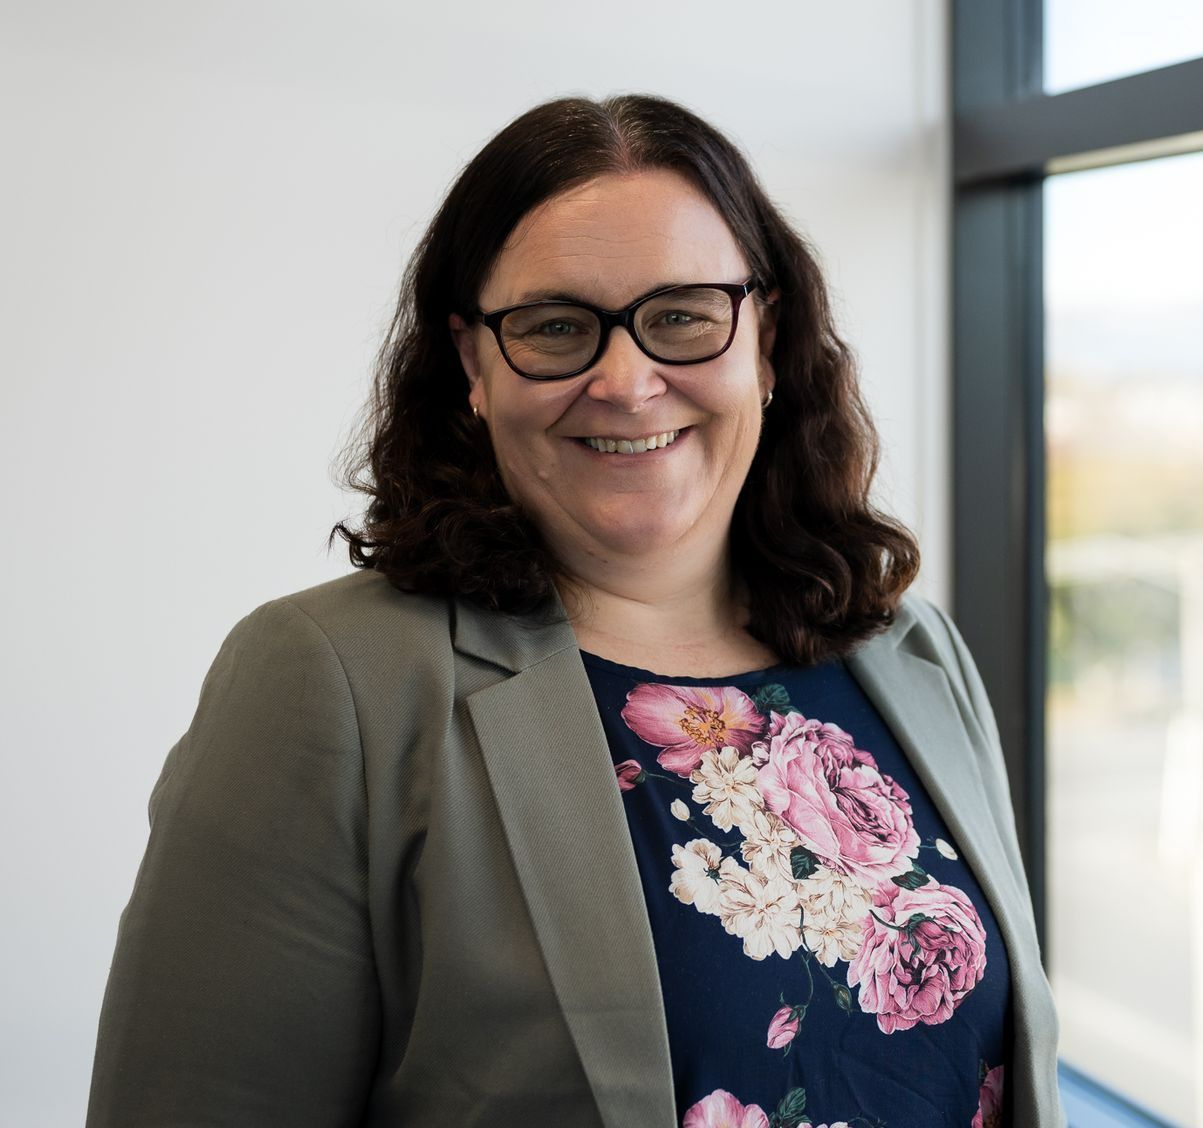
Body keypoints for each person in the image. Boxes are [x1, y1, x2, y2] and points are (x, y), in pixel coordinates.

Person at [86, 94, 1062, 1127]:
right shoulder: (330, 683)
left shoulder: (912, 651)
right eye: (556, 328)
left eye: (682, 315)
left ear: (765, 342)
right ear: (472, 363)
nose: (628, 382)